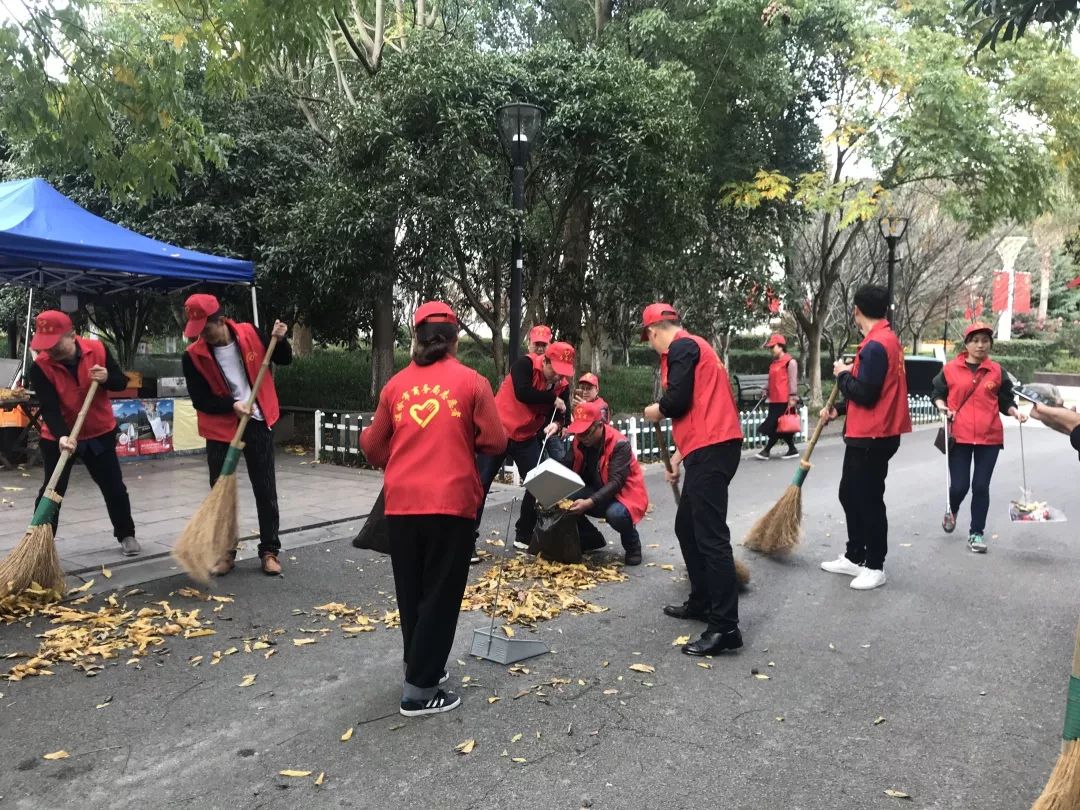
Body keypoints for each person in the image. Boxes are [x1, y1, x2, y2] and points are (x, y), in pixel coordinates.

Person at [360, 302, 507, 716]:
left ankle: (420, 665)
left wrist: (368, 435)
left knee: (412, 591)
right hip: (450, 503)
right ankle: (419, 691)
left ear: (417, 338)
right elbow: (496, 441)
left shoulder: (395, 387)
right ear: (455, 339)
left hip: (402, 503)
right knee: (440, 595)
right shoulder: (473, 383)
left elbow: (374, 450)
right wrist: (460, 438)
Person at [641, 303, 744, 657]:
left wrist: (657, 409)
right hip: (709, 447)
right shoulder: (699, 348)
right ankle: (701, 599)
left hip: (713, 449)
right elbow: (702, 404)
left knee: (711, 537)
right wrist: (679, 456)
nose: (652, 345)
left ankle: (725, 627)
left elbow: (679, 400)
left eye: (649, 338)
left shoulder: (681, 347)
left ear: (654, 331)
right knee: (687, 527)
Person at [181, 294, 291, 577]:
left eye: (207, 329)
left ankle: (269, 550)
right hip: (220, 427)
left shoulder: (251, 333)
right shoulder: (193, 356)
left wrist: (281, 338)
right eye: (198, 332)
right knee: (221, 492)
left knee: (265, 490)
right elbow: (200, 400)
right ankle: (225, 553)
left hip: (257, 420)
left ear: (221, 320)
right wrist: (231, 405)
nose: (203, 337)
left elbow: (284, 358)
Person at [818, 285, 911, 591]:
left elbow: (867, 394)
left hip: (874, 434)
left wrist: (842, 374)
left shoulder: (875, 346)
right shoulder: (883, 340)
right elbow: (873, 390)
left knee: (868, 499)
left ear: (856, 309)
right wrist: (841, 409)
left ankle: (875, 564)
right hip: (867, 431)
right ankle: (855, 555)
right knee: (850, 493)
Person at [29, 310, 139, 556]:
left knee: (114, 487)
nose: (50, 351)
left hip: (99, 431)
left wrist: (108, 377)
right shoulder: (40, 367)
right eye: (45, 346)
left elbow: (121, 382)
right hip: (59, 437)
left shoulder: (97, 350)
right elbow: (49, 407)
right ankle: (39, 544)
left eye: (55, 344)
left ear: (72, 335)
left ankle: (126, 534)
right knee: (52, 490)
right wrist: (61, 436)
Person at [931, 323, 1026, 553]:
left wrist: (1014, 411)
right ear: (966, 344)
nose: (980, 345)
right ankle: (952, 509)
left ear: (990, 344)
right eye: (975, 340)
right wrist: (942, 407)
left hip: (989, 436)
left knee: (981, 486)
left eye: (985, 340)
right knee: (960, 486)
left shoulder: (996, 370)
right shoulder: (951, 369)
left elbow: (1005, 400)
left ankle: (976, 533)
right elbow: (937, 393)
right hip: (960, 436)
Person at [475, 342, 575, 555]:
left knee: (539, 484)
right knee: (480, 484)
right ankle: (467, 542)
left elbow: (562, 416)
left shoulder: (562, 386)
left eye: (563, 373)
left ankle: (524, 534)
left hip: (526, 437)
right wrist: (552, 399)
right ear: (546, 361)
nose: (558, 377)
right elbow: (523, 393)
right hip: (498, 430)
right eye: (555, 370)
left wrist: (556, 425)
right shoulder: (525, 365)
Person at [555, 399, 647, 565]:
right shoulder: (579, 441)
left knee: (616, 515)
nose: (582, 437)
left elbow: (616, 482)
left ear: (599, 426)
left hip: (622, 496)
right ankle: (590, 538)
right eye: (579, 433)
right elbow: (567, 464)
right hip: (594, 489)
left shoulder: (620, 444)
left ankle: (632, 544)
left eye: (586, 432)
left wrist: (589, 502)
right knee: (560, 499)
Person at [754, 334, 800, 460]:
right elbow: (771, 380)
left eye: (773, 347)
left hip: (785, 400)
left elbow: (792, 381)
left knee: (774, 425)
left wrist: (793, 397)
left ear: (781, 347)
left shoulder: (790, 362)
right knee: (781, 426)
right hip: (774, 399)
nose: (771, 349)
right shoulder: (774, 363)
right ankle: (792, 449)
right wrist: (765, 389)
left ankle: (766, 450)